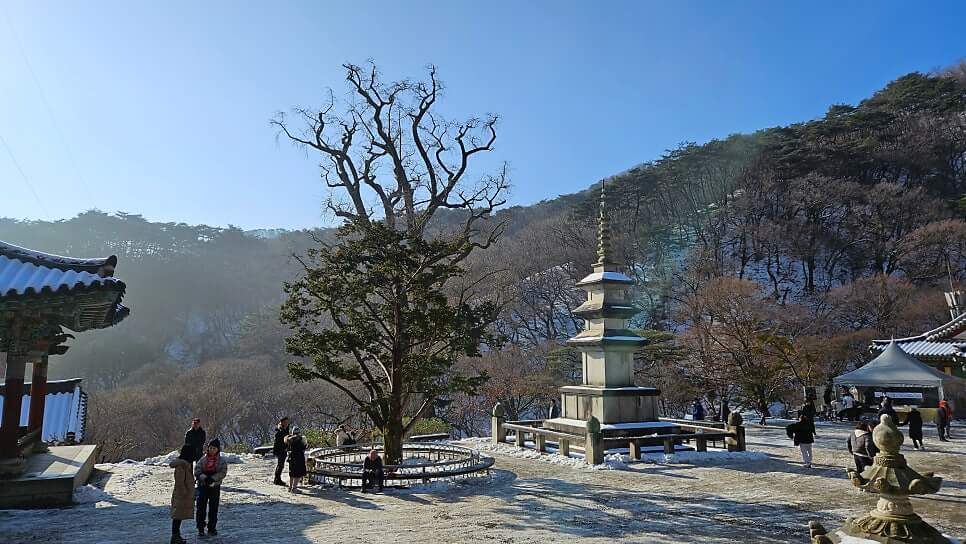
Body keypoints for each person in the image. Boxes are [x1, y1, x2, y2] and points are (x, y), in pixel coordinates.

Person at [195, 438, 228, 537]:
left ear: (217, 449)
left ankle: (212, 528)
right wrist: (205, 478)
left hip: (215, 486)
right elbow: (197, 471)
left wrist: (213, 478)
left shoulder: (221, 461)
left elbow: (223, 472)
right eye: (210, 448)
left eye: (214, 448)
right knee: (201, 508)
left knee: (213, 508)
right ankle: (200, 528)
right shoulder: (203, 459)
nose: (212, 450)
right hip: (203, 485)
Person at [169, 445, 195, 544]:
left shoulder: (185, 465)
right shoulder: (181, 466)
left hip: (182, 495)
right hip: (181, 496)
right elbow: (179, 482)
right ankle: (175, 537)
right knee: (177, 516)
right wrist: (184, 492)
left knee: (179, 516)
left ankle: (177, 536)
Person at [286, 426, 307, 494]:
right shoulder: (299, 439)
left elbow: (288, 448)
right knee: (297, 473)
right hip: (298, 458)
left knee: (292, 473)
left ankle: (290, 487)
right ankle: (294, 488)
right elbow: (303, 448)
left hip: (291, 457)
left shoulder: (289, 439)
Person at [272, 417, 290, 486]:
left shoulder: (285, 429)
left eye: (287, 422)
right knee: (280, 465)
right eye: (285, 422)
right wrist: (284, 447)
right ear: (282, 422)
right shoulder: (280, 431)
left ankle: (277, 479)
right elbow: (278, 442)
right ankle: (277, 479)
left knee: (280, 465)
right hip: (280, 450)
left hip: (283, 450)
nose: (287, 423)